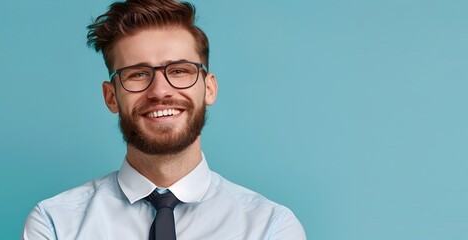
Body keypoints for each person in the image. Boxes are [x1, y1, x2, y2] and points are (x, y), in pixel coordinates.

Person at [22, 0, 306, 239]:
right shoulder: (55, 224)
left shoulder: (270, 227)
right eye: (138, 74)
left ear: (208, 88)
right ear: (111, 97)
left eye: (180, 71)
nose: (160, 91)